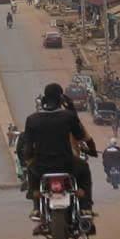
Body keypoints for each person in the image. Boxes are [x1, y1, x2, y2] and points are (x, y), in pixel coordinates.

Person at [19, 83, 96, 227]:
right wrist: (72, 110)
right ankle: (85, 207)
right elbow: (80, 136)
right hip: (67, 165)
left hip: (41, 167)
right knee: (84, 168)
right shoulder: (68, 116)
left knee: (31, 169)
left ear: (44, 99)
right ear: (61, 99)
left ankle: (37, 207)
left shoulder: (32, 119)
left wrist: (29, 162)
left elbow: (28, 148)